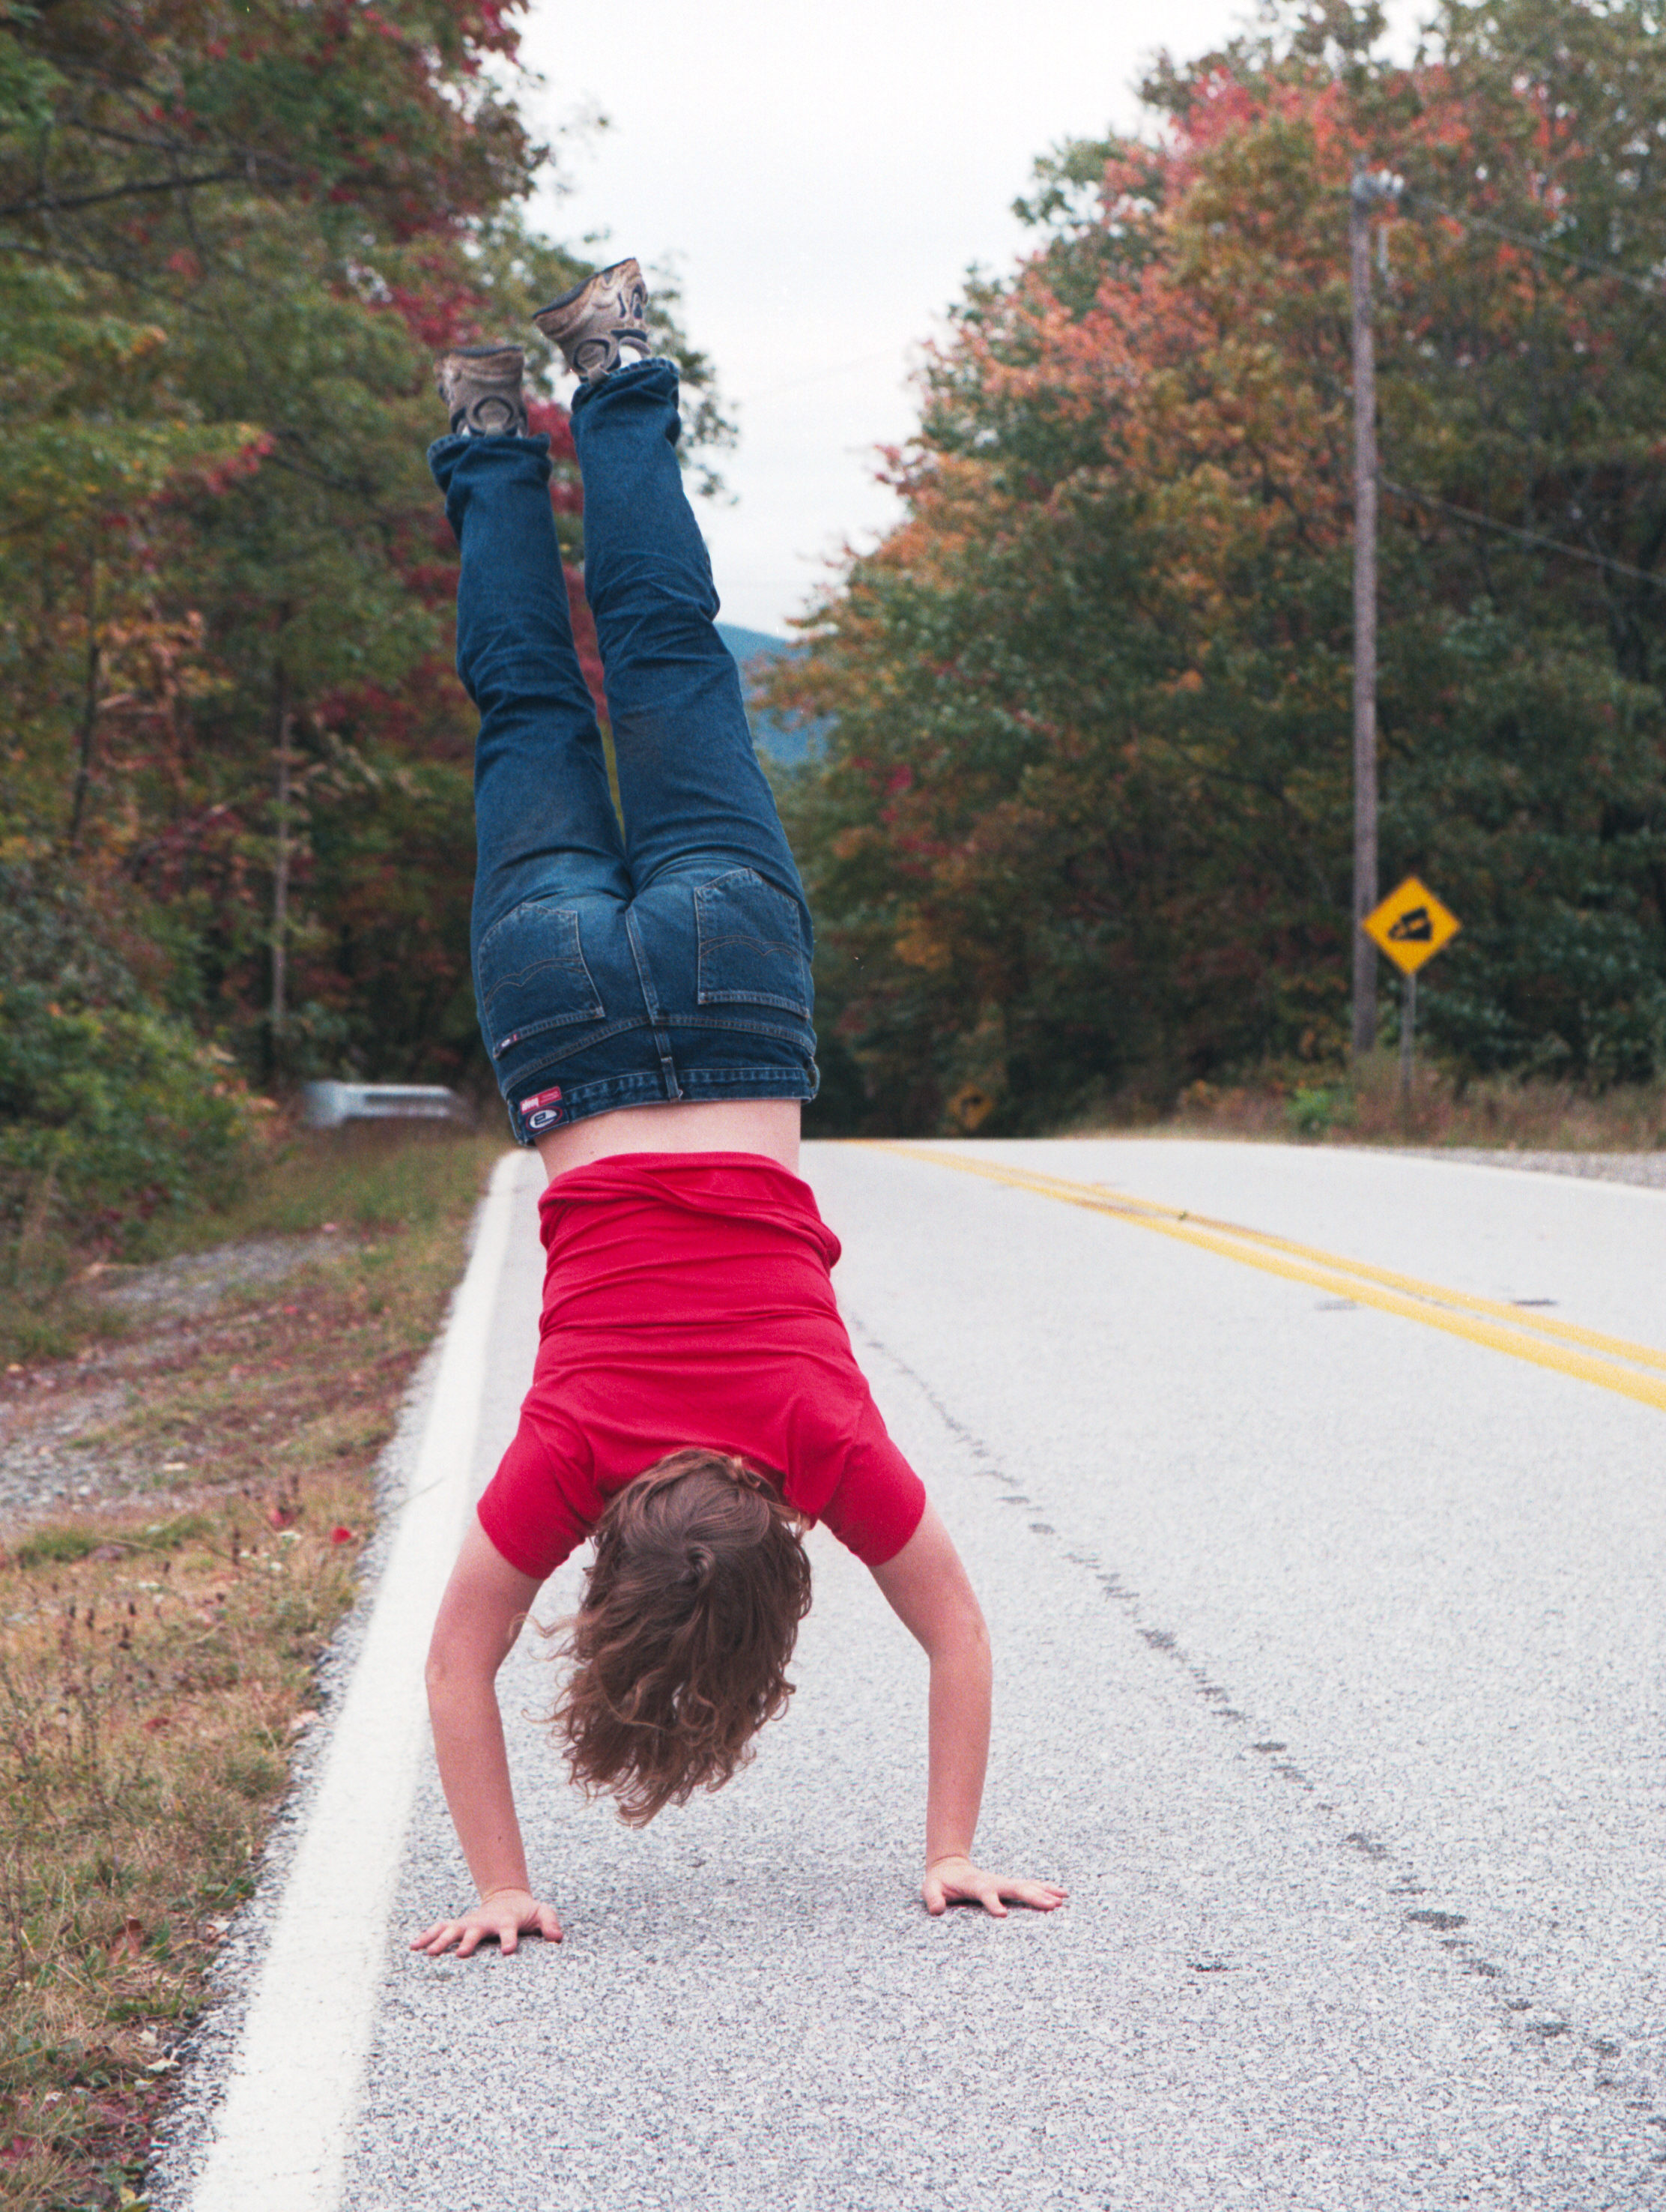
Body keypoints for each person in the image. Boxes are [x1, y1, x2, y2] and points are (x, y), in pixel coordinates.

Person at [411, 262, 1065, 1959]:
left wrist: (953, 1846)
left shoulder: (816, 1449)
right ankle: (486, 423)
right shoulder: (565, 1467)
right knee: (530, 713)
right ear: (610, 1570)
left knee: (661, 657)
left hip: (726, 987)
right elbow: (458, 1664)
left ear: (784, 1556)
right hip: (561, 1012)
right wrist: (499, 1883)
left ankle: (612, 365)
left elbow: (959, 1638)